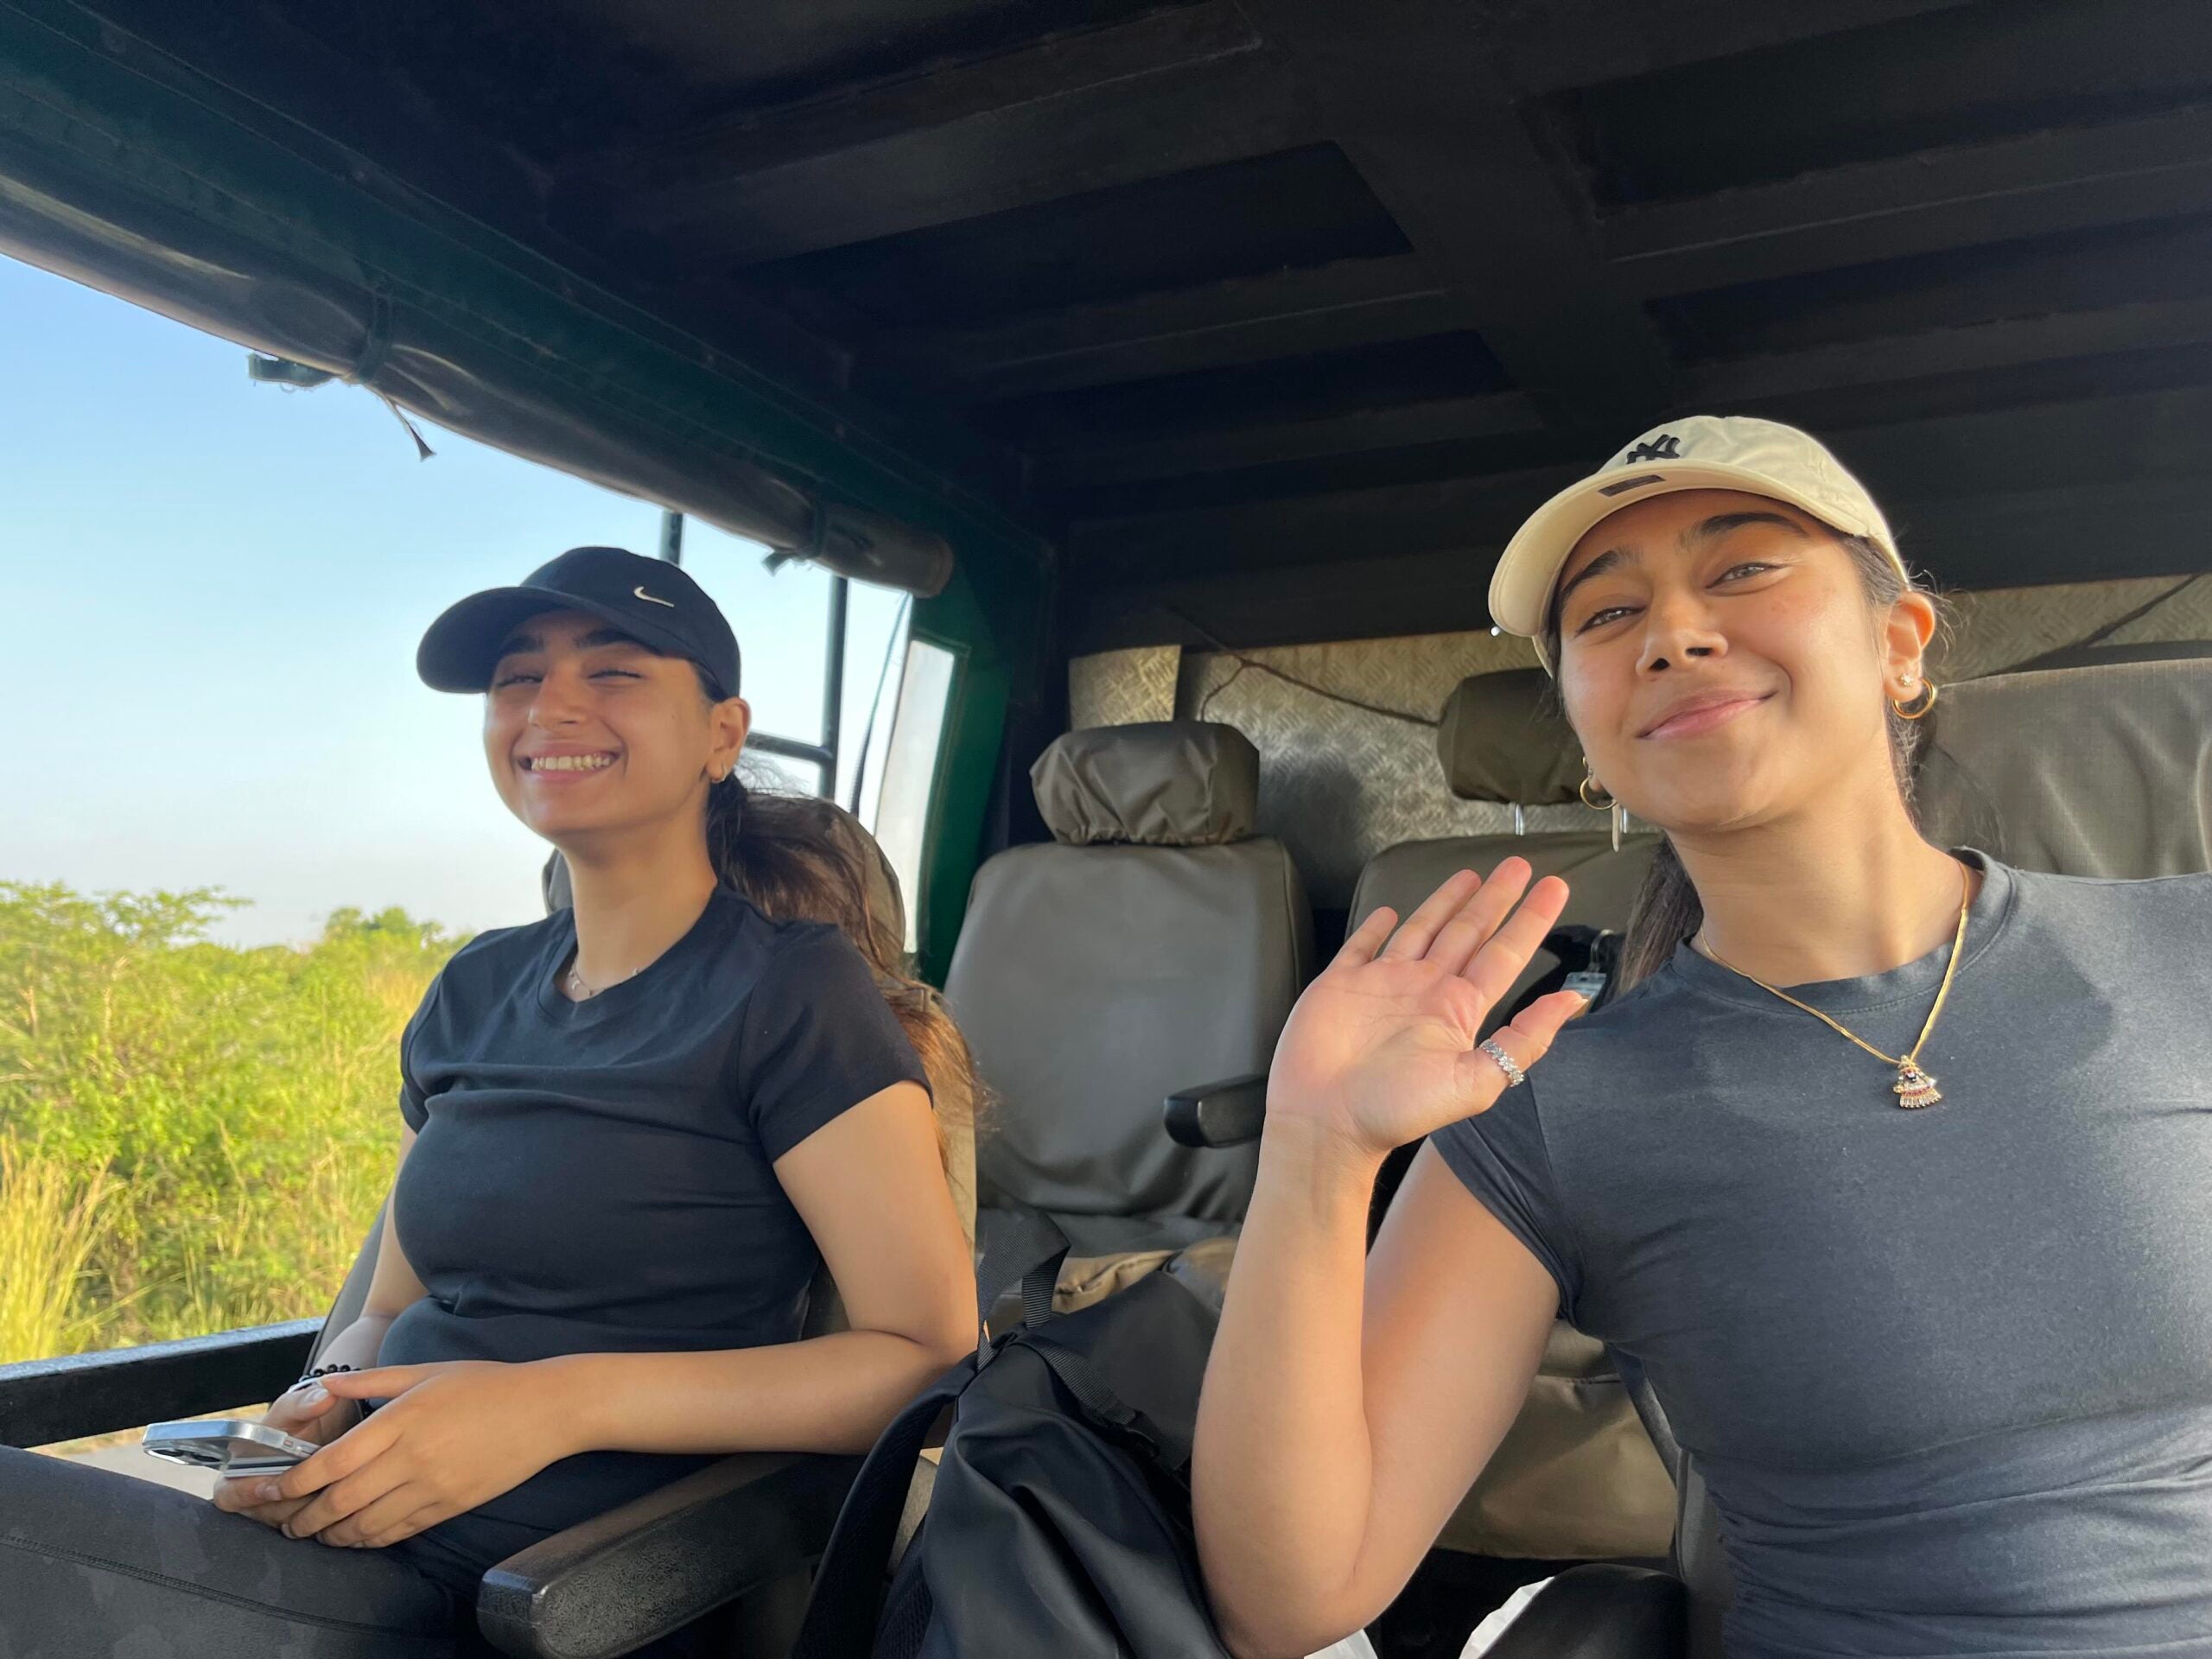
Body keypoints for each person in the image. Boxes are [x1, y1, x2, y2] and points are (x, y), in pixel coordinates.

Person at [1192, 417, 2212, 1658]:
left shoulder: (2187, 949)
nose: (1673, 634)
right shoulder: (1548, 1110)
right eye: (1608, 618)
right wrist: (1314, 1149)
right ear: (1582, 722)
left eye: (1741, 572)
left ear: (1900, 646)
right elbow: (1292, 1596)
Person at [1, 546, 978, 1655]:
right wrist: (320, 1405)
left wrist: (558, 1403)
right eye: (518, 679)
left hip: (549, 1592)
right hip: (343, 1534)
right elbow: (386, 1305)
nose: (550, 704)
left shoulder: (792, 991)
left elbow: (926, 1352)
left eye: (613, 674)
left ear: (721, 734)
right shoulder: (475, 985)